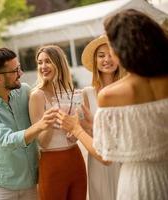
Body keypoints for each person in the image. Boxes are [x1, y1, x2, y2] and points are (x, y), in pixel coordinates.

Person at [57, 9, 168, 200]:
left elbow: (105, 157)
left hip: (137, 182)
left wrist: (76, 128)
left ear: (120, 50)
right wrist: (94, 126)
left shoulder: (111, 95)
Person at [0, 47, 57, 200]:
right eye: (15, 70)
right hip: (3, 188)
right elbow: (6, 139)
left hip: (32, 182)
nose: (21, 73)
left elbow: (45, 96)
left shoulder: (24, 91)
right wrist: (40, 125)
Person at [29, 45, 87, 200]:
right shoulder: (37, 95)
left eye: (48, 61)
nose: (43, 67)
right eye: (40, 63)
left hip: (75, 158)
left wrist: (75, 128)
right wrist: (50, 121)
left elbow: (73, 136)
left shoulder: (70, 92)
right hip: (52, 163)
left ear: (59, 63)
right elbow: (43, 143)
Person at [81, 35, 124, 200]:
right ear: (95, 61)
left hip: (124, 156)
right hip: (98, 158)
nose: (107, 59)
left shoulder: (127, 89)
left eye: (111, 54)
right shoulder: (87, 93)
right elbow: (86, 129)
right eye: (101, 55)